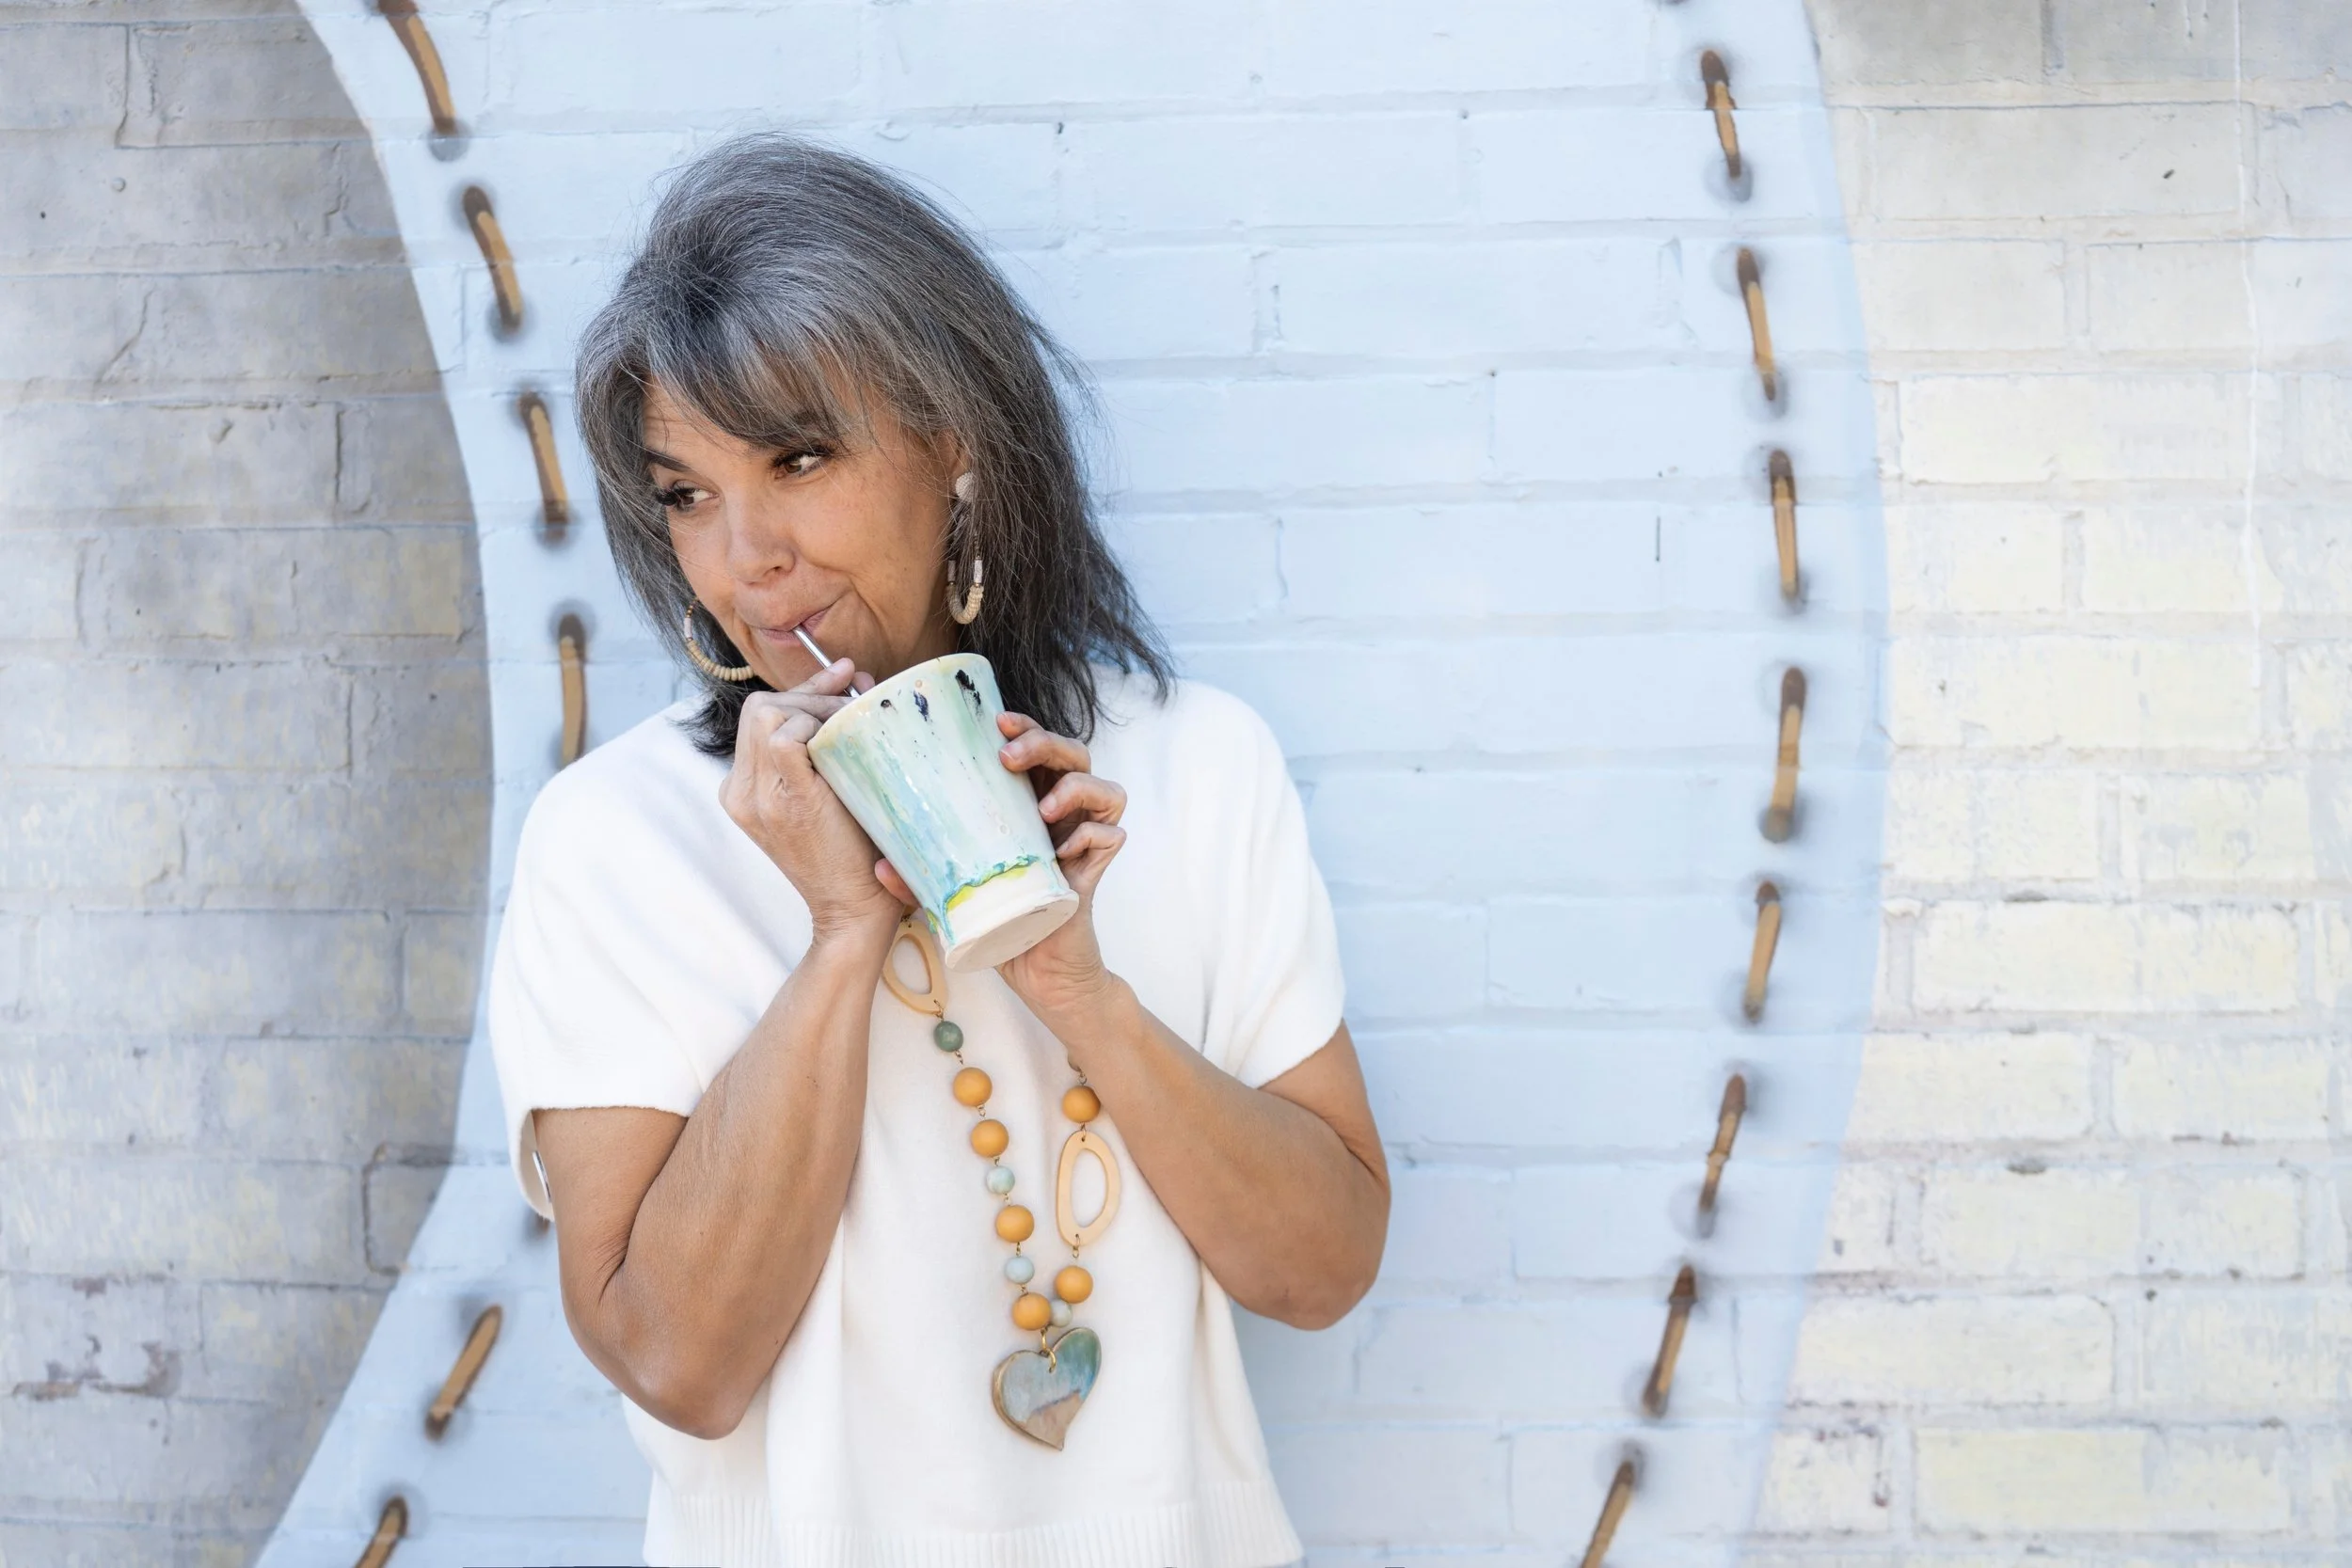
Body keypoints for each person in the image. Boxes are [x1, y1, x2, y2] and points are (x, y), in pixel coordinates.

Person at [486, 133, 1390, 1568]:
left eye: (798, 456)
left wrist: (1071, 977)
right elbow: (676, 1359)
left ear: (953, 440)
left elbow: (1326, 1266)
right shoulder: (614, 840)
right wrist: (844, 933)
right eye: (687, 493)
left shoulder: (1198, 768)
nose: (743, 556)